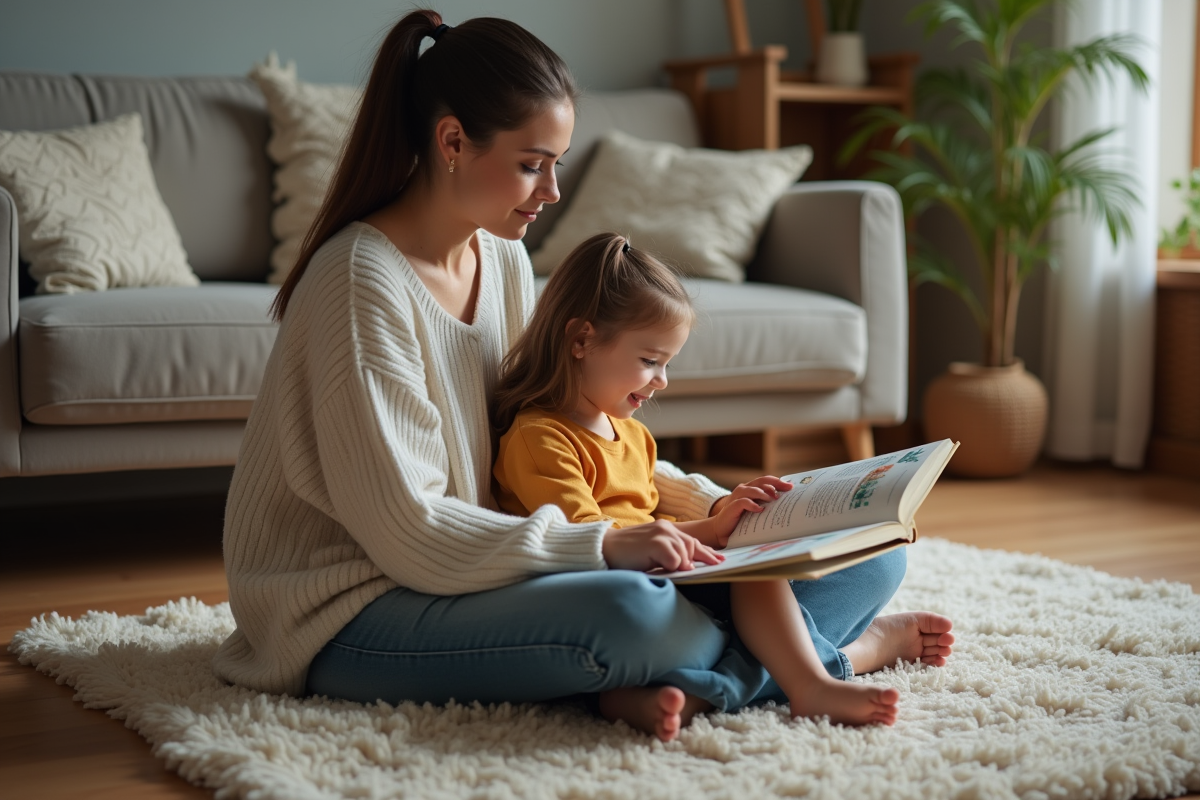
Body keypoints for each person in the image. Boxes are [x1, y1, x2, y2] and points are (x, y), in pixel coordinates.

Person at [212, 8, 954, 743]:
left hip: (487, 562)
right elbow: (411, 533)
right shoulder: (359, 281)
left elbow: (566, 429)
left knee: (869, 561)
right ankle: (836, 658)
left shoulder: (499, 255)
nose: (551, 192)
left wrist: (724, 510)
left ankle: (704, 679)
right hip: (358, 604)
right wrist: (604, 547)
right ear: (452, 142)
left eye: (556, 165)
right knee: (639, 617)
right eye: (531, 164)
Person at [493, 232, 913, 728]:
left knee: (877, 559)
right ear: (581, 340)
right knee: (754, 574)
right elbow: (588, 539)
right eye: (650, 361)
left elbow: (653, 505)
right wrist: (712, 533)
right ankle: (819, 675)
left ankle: (679, 693)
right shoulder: (539, 437)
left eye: (667, 364)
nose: (661, 381)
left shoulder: (630, 433)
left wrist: (730, 514)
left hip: (661, 572)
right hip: (607, 588)